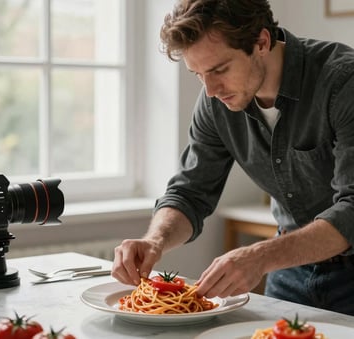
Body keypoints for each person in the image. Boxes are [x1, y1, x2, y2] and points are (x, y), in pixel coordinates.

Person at [112, 0, 354, 315]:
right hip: (289, 270)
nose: (210, 90)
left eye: (219, 69)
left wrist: (259, 257)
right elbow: (190, 192)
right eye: (197, 74)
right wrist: (155, 241)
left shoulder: (343, 82)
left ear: (262, 42)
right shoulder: (216, 102)